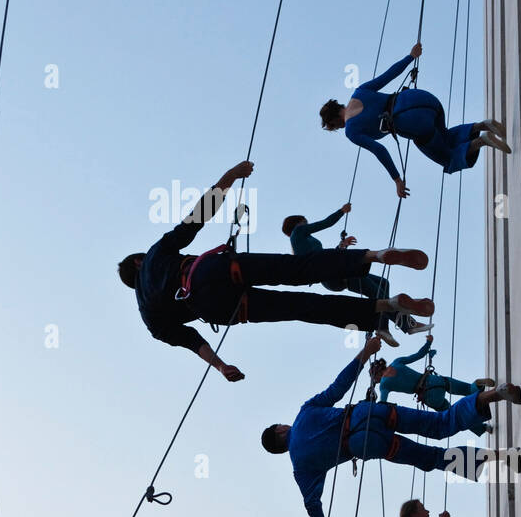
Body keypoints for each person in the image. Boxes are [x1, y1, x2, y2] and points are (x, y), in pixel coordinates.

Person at [119, 162, 435, 384]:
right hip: (211, 270)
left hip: (219, 307)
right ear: (138, 264)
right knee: (297, 269)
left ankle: (385, 308)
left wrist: (221, 366)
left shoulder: (148, 316)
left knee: (304, 308)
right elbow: (196, 218)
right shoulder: (155, 256)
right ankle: (374, 255)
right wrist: (230, 176)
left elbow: (191, 340)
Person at [261, 341, 521, 517]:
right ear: (281, 430)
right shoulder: (305, 412)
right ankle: (492, 394)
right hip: (370, 414)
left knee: (435, 458)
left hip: (369, 444)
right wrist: (366, 352)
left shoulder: (301, 469)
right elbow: (338, 387)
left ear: (281, 448)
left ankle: (500, 457)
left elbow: (313, 508)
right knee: (441, 423)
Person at [319, 42, 511, 197]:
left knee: (446, 156)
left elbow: (380, 150)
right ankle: (482, 125)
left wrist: (397, 180)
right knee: (444, 136)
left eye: (334, 126)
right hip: (420, 98)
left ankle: (482, 140)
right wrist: (411, 56)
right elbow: (389, 74)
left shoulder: (351, 130)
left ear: (334, 122)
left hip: (409, 120)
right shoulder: (359, 91)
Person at [282, 203, 391, 304]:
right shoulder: (298, 231)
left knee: (383, 283)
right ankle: (402, 321)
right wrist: (342, 211)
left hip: (331, 276)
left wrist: (341, 246)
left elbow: (327, 257)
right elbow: (325, 223)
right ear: (297, 223)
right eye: (305, 222)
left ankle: (382, 322)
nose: (307, 224)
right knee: (378, 294)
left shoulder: (302, 243)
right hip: (333, 274)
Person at [370, 335, 494, 424]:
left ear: (376, 375)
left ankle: (482, 428)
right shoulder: (397, 362)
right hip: (433, 380)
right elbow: (419, 355)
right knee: (467, 389)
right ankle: (477, 384)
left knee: (454, 416)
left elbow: (383, 404)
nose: (377, 382)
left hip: (428, 395)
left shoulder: (384, 385)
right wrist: (429, 342)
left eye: (375, 379)